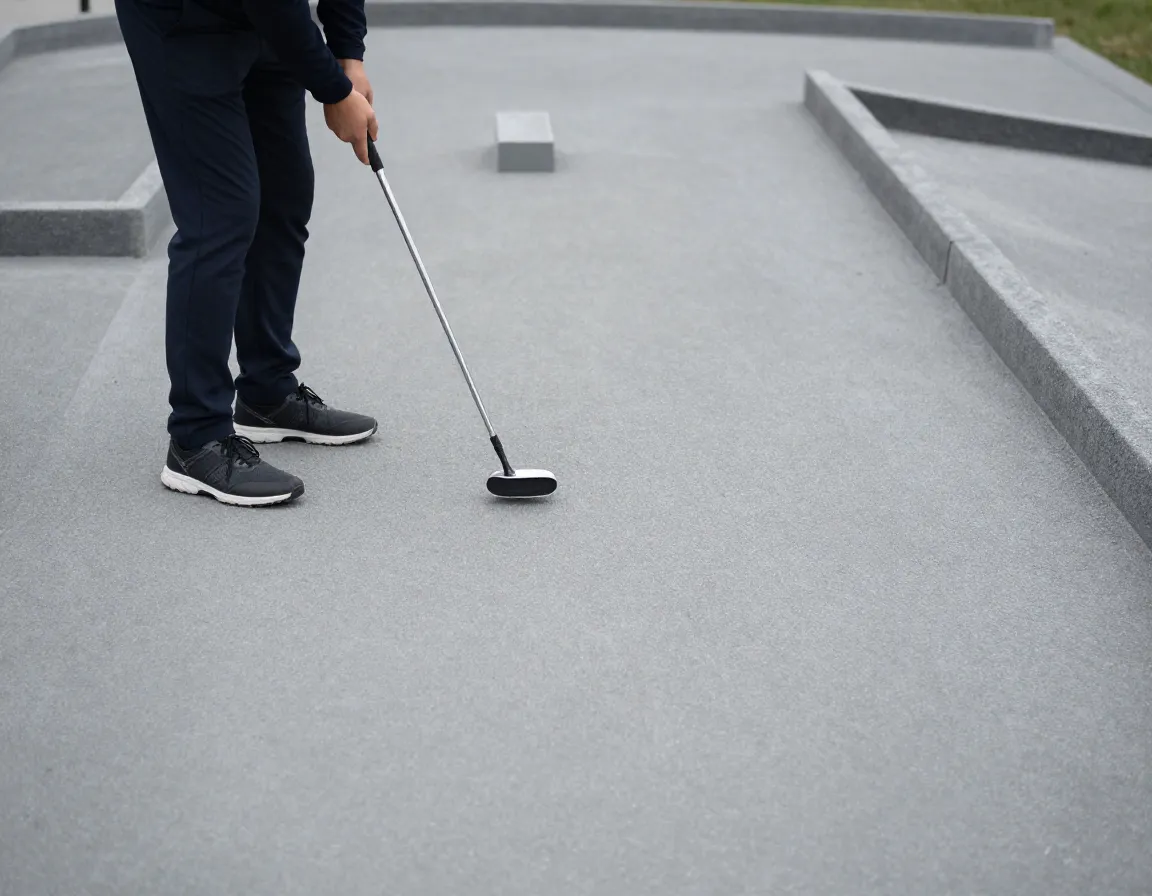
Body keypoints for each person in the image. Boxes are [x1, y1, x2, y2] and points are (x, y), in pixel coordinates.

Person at [115, 0, 380, 507]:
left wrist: (349, 55)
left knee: (284, 198)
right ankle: (195, 438)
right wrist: (332, 89)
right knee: (221, 215)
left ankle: (265, 392)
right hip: (180, 21)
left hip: (265, 19)